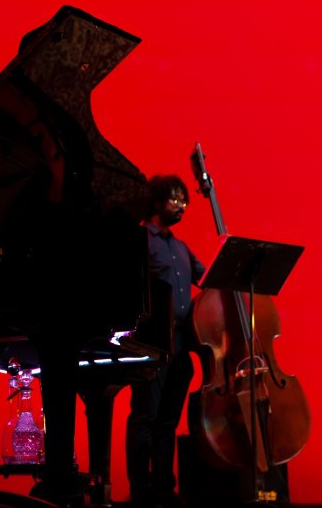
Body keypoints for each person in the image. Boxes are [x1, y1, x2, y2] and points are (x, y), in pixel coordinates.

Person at [126, 174, 205, 508]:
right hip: (152, 343)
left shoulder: (180, 247)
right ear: (157, 201)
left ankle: (162, 486)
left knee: (168, 420)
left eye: (185, 199)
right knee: (146, 415)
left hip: (182, 344)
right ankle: (141, 489)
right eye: (176, 198)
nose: (183, 205)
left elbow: (208, 277)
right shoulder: (140, 239)